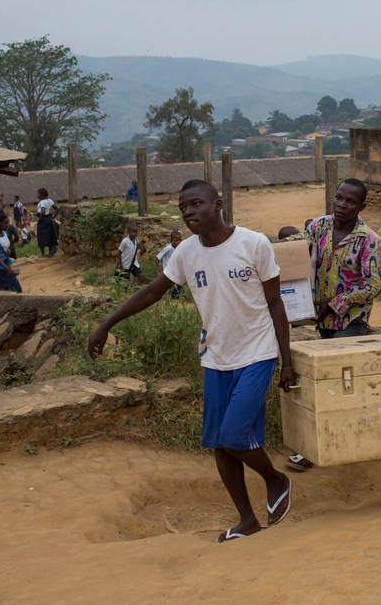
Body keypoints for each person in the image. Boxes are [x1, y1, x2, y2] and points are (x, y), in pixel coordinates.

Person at [88, 179, 295, 543]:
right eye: (183, 208)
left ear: (217, 204)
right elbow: (153, 291)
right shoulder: (185, 253)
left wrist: (287, 361)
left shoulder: (254, 243)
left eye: (196, 204)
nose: (188, 212)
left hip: (257, 353)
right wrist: (107, 323)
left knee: (233, 435)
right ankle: (247, 520)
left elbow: (276, 303)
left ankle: (276, 479)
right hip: (215, 357)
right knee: (219, 443)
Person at [283, 178, 381, 471]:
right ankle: (332, 443)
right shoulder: (319, 227)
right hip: (321, 318)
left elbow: (374, 284)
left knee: (339, 380)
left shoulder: (369, 241)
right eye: (339, 198)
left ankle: (327, 447)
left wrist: (336, 302)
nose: (342, 205)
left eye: (350, 202)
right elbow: (297, 247)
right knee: (330, 380)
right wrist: (265, 247)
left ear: (361, 206)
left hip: (350, 321)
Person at [155, 230, 184, 298]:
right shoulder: (168, 249)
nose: (179, 242)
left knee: (180, 289)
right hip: (169, 272)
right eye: (176, 240)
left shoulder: (180, 248)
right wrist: (159, 271)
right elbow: (157, 258)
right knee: (173, 289)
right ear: (171, 241)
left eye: (180, 240)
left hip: (176, 272)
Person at [35, 188, 57, 258]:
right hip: (48, 219)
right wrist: (53, 217)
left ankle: (42, 254)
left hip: (43, 220)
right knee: (50, 236)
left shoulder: (42, 202)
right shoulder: (49, 200)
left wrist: (39, 219)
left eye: (38, 194)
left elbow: (43, 212)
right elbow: (57, 209)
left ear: (42, 195)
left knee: (41, 236)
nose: (37, 196)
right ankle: (50, 253)